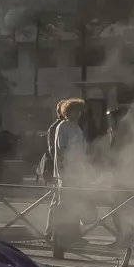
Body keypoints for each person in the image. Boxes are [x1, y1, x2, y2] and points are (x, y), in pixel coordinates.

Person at [46, 99, 88, 256]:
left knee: (74, 205)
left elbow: (82, 149)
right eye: (75, 111)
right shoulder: (62, 127)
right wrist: (65, 170)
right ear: (68, 112)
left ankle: (71, 237)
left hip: (77, 173)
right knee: (64, 205)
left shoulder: (77, 128)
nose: (78, 114)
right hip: (66, 174)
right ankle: (60, 240)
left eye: (79, 111)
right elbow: (61, 150)